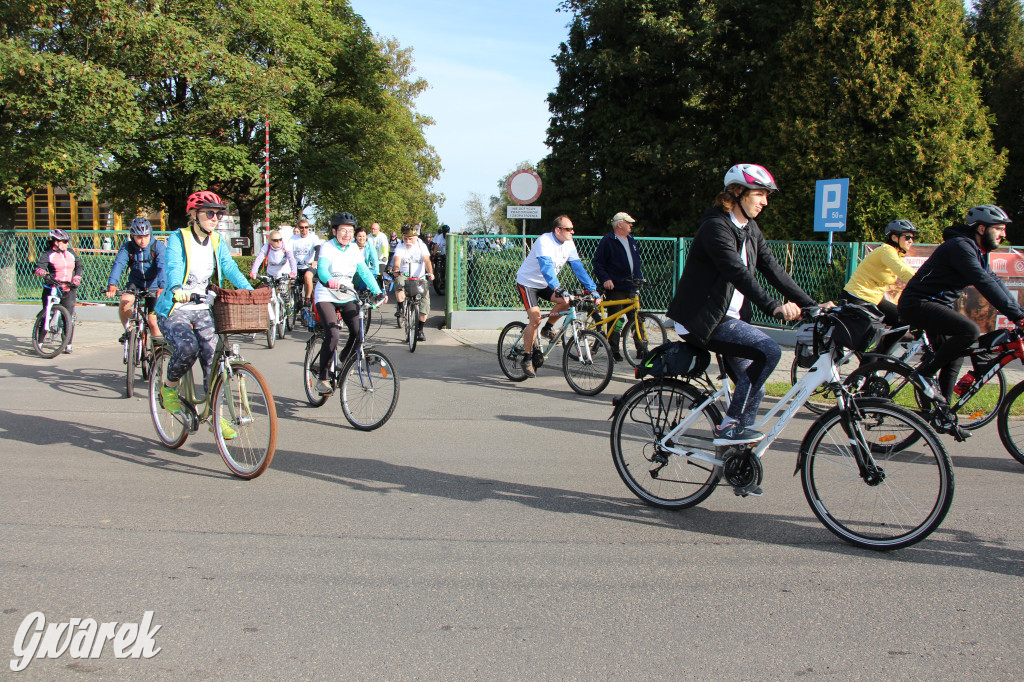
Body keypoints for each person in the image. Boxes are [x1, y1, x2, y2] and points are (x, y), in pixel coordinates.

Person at [667, 164, 819, 460]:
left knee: (755, 391)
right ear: (738, 193)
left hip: (728, 320)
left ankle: (736, 459)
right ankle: (729, 428)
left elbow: (773, 269)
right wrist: (774, 306)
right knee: (769, 351)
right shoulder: (715, 228)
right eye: (760, 194)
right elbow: (738, 273)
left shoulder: (750, 229)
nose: (765, 202)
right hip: (701, 320)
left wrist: (811, 304)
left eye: (766, 195)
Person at [897, 204, 1023, 401]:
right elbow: (983, 282)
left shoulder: (976, 251)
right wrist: (1017, 316)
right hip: (918, 304)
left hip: (935, 305)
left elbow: (994, 280)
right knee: (969, 331)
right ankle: (923, 374)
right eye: (999, 228)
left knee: (954, 358)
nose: (1003, 234)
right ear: (982, 229)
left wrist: (1020, 313)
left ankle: (941, 414)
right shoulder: (960, 247)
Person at [154, 190, 253, 437]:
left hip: (202, 309)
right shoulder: (179, 237)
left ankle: (216, 418)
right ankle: (169, 387)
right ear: (194, 215)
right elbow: (174, 265)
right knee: (187, 349)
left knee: (213, 359)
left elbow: (229, 267)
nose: (215, 218)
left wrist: (249, 291)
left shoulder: (217, 240)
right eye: (209, 213)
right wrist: (177, 288)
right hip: (175, 308)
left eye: (218, 214)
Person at [514, 214, 599, 378]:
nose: (572, 232)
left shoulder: (569, 243)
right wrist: (557, 287)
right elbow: (546, 268)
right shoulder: (544, 241)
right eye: (569, 229)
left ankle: (547, 329)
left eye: (572, 229)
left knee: (568, 300)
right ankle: (526, 358)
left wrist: (592, 289)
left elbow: (578, 268)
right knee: (535, 319)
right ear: (557, 230)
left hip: (545, 284)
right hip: (528, 283)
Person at [313, 212, 384, 394]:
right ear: (334, 231)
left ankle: (344, 358)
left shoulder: (353, 249)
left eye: (350, 231)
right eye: (343, 230)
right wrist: (329, 280)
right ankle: (323, 378)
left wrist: (377, 291)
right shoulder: (327, 247)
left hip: (347, 295)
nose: (347, 234)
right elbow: (322, 270)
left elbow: (365, 272)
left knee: (358, 333)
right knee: (334, 334)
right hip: (327, 294)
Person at [841, 219, 918, 353]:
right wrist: (926, 283)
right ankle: (865, 370)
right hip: (858, 296)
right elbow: (904, 271)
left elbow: (908, 271)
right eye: (907, 237)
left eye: (913, 237)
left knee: (903, 321)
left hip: (874, 298)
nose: (911, 240)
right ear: (894, 237)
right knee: (871, 342)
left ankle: (881, 358)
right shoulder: (886, 251)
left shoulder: (897, 254)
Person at [591, 211, 644, 361]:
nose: (631, 225)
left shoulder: (631, 239)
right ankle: (613, 350)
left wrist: (639, 278)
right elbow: (598, 263)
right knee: (616, 319)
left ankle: (642, 348)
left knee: (636, 318)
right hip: (616, 287)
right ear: (619, 224)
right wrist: (605, 279)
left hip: (631, 286)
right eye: (628, 222)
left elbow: (636, 262)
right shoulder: (608, 240)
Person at [105, 217, 166, 340]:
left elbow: (162, 266)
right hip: (135, 282)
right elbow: (119, 264)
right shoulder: (128, 247)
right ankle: (130, 331)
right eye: (139, 237)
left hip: (154, 284)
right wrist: (112, 284)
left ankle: (158, 352)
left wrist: (162, 286)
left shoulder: (158, 246)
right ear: (132, 236)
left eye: (146, 236)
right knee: (124, 302)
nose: (143, 240)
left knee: (153, 321)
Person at [33, 228, 83, 353]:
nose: (67, 244)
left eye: (67, 241)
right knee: (47, 315)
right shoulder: (48, 254)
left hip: (68, 288)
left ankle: (67, 344)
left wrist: (77, 277)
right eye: (65, 241)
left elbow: (79, 266)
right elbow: (39, 268)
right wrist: (42, 272)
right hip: (52, 287)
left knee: (68, 316)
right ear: (56, 242)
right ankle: (39, 342)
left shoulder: (70, 252)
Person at [391, 225, 434, 342]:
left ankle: (420, 330)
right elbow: (397, 260)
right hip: (404, 275)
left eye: (410, 238)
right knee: (399, 282)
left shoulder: (421, 245)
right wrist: (396, 270)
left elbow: (427, 260)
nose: (408, 241)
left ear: (416, 237)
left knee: (425, 303)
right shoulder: (400, 246)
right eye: (405, 238)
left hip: (419, 278)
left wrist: (430, 273)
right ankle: (400, 309)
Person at [288, 219, 321, 303]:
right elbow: (288, 251)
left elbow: (318, 249)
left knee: (308, 277)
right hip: (296, 266)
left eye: (306, 227)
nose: (304, 229)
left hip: (309, 265)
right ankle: (289, 301)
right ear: (299, 228)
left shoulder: (313, 237)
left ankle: (307, 298)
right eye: (302, 227)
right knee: (289, 280)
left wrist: (315, 261)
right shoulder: (293, 238)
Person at [352, 224, 379, 290]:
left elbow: (374, 259)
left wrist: (377, 272)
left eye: (363, 236)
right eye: (359, 236)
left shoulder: (369, 245)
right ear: (356, 237)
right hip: (353, 268)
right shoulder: (351, 245)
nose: (362, 238)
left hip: (365, 267)